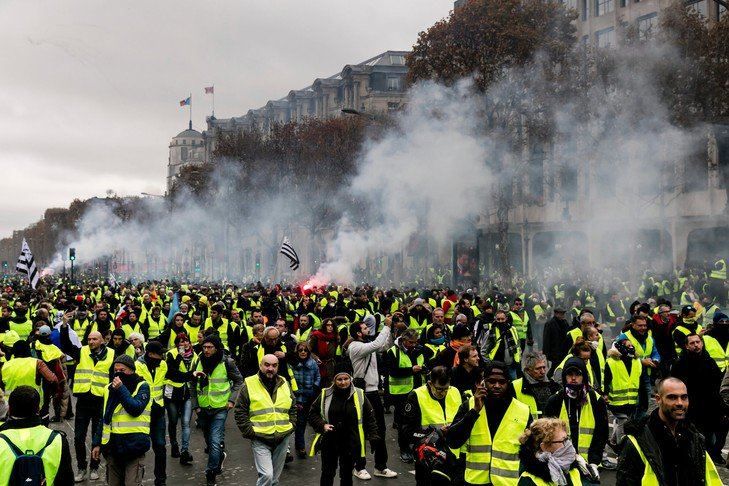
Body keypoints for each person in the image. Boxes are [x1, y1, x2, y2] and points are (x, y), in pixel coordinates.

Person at [617, 377, 722, 486]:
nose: (680, 403)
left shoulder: (694, 436)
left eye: (684, 397)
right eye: (672, 397)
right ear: (658, 399)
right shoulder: (638, 440)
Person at [447, 361, 532, 484]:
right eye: (491, 381)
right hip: (476, 481)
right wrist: (474, 411)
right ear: (483, 382)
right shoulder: (470, 405)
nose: (497, 386)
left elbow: (532, 451)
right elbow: (453, 441)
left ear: (508, 383)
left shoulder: (523, 410)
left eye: (502, 382)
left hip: (507, 482)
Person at [345, 315, 398, 479]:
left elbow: (385, 345)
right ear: (359, 333)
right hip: (361, 394)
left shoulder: (368, 345)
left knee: (380, 430)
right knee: (360, 431)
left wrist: (392, 329)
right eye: (365, 328)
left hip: (374, 393)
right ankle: (358, 467)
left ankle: (380, 466)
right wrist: (387, 326)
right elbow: (377, 344)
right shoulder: (355, 347)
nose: (368, 328)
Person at [308, 370, 379, 486]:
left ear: (350, 379)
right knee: (327, 473)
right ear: (334, 381)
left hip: (350, 442)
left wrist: (373, 435)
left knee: (346, 475)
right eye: (339, 379)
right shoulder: (325, 394)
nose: (343, 382)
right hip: (330, 441)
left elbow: (369, 417)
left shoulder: (360, 394)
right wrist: (322, 425)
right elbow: (312, 413)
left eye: (346, 379)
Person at [234, 354, 296, 486]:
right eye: (267, 365)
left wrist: (292, 425)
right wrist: (249, 432)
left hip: (282, 436)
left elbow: (293, 406)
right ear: (260, 365)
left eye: (274, 365)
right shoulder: (249, 383)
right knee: (267, 476)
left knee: (274, 480)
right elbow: (240, 410)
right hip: (260, 437)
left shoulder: (284, 382)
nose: (270, 368)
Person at [91, 354, 151, 486]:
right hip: (112, 448)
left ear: (131, 370)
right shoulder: (108, 389)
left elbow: (135, 409)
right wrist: (96, 443)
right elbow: (104, 418)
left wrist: (121, 389)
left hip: (134, 447)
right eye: (115, 371)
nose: (118, 374)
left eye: (122, 371)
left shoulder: (142, 386)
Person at [192, 335, 244, 486]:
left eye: (210, 347)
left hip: (220, 408)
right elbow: (192, 384)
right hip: (202, 409)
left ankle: (211, 473)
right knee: (209, 442)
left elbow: (238, 380)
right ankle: (219, 457)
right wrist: (195, 405)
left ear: (216, 348)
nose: (206, 350)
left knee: (215, 441)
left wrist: (231, 400)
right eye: (204, 347)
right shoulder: (198, 361)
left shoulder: (227, 362)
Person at [544, 357, 609, 472]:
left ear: (584, 376)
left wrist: (594, 461)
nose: (573, 378)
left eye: (577, 374)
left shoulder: (596, 401)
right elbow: (547, 435)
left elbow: (601, 434)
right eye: (569, 374)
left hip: (589, 466)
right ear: (564, 377)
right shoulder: (555, 401)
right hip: (561, 465)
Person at [401, 366, 462, 486]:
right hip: (427, 455)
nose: (443, 393)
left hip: (453, 454)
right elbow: (406, 431)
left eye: (446, 389)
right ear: (430, 383)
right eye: (439, 389)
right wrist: (435, 433)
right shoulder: (416, 395)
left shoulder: (454, 391)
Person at [0, 385, 73, 484]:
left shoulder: (2, 440)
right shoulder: (57, 440)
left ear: (10, 409)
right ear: (38, 410)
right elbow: (66, 480)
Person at [669, 333, 724, 464]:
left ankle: (711, 456)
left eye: (698, 342)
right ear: (687, 346)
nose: (696, 345)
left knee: (712, 435)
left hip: (710, 406)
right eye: (692, 343)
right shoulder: (681, 364)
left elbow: (717, 383)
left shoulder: (709, 361)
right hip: (691, 407)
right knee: (693, 437)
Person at [72, 330, 114, 482]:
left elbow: (114, 376)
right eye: (89, 339)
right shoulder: (82, 351)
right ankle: (81, 467)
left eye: (94, 339)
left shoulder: (111, 354)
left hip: (100, 401)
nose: (91, 342)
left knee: (98, 437)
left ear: (102, 341)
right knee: (78, 437)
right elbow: (65, 345)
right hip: (83, 400)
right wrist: (64, 326)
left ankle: (94, 466)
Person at [384, 327, 425, 463]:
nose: (413, 345)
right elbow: (393, 372)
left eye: (415, 342)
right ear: (403, 339)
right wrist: (411, 370)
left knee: (417, 421)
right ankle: (404, 449)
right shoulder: (393, 352)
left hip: (417, 391)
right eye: (410, 342)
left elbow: (425, 364)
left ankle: (417, 447)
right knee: (404, 424)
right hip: (400, 393)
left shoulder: (417, 350)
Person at [135, 340, 168, 486]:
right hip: (142, 413)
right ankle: (137, 480)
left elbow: (172, 375)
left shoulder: (163, 364)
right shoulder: (138, 366)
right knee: (140, 448)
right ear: (150, 354)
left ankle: (160, 480)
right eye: (159, 354)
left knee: (160, 447)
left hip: (158, 412)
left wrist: (191, 375)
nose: (162, 357)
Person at [517, 418, 586, 486]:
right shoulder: (528, 481)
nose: (569, 445)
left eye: (567, 439)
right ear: (544, 447)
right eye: (563, 441)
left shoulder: (572, 470)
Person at [616, 315, 660, 418]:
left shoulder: (649, 338)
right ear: (633, 325)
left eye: (645, 325)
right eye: (640, 326)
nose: (643, 328)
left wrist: (655, 360)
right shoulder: (624, 337)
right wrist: (641, 362)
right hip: (631, 377)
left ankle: (639, 425)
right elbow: (621, 356)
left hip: (646, 376)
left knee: (645, 404)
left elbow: (655, 353)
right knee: (633, 405)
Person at [165, 332, 197, 465]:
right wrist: (180, 356)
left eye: (186, 341)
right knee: (173, 421)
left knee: (185, 422)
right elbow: (172, 373)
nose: (184, 344)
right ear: (176, 343)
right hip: (172, 393)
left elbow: (195, 374)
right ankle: (174, 444)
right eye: (180, 341)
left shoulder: (195, 356)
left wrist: (189, 376)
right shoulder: (171, 354)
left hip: (187, 393)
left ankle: (185, 451)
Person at [604, 338, 641, 451]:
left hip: (631, 401)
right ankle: (622, 448)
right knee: (623, 423)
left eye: (631, 345)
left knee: (623, 422)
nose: (630, 347)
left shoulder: (636, 361)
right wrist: (605, 394)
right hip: (616, 401)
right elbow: (606, 380)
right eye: (627, 345)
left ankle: (613, 441)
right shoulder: (611, 362)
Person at [292, 342, 320, 458]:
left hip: (310, 397)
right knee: (298, 423)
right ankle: (299, 446)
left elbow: (317, 376)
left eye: (305, 350)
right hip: (297, 397)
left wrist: (314, 387)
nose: (303, 352)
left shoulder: (313, 363)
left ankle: (302, 446)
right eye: (300, 350)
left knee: (306, 422)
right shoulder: (293, 364)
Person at [513, 351, 560, 420]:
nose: (543, 372)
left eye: (544, 367)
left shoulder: (554, 386)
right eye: (538, 368)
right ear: (528, 370)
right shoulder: (515, 386)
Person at [483, 310, 522, 379]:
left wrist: (518, 358)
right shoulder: (490, 332)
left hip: (511, 365)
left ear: (506, 319)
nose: (500, 321)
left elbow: (518, 345)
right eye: (498, 319)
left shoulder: (513, 329)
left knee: (514, 385)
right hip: (496, 365)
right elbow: (483, 350)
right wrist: (488, 362)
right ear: (495, 319)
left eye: (502, 319)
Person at [542, 307, 570, 375]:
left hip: (563, 350)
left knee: (559, 366)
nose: (563, 315)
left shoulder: (565, 323)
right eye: (561, 314)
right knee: (555, 366)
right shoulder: (550, 324)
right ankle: (549, 377)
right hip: (554, 351)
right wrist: (546, 352)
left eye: (563, 313)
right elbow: (546, 339)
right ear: (556, 314)